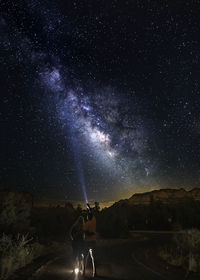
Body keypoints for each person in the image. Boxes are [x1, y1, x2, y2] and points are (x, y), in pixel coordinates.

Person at [83, 206, 97, 277]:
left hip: (87, 242)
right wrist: (89, 208)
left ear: (88, 217)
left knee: (85, 257)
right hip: (93, 241)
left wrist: (89, 233)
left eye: (87, 215)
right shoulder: (94, 221)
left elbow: (85, 232)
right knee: (93, 257)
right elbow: (92, 213)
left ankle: (83, 272)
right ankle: (95, 272)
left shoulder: (86, 224)